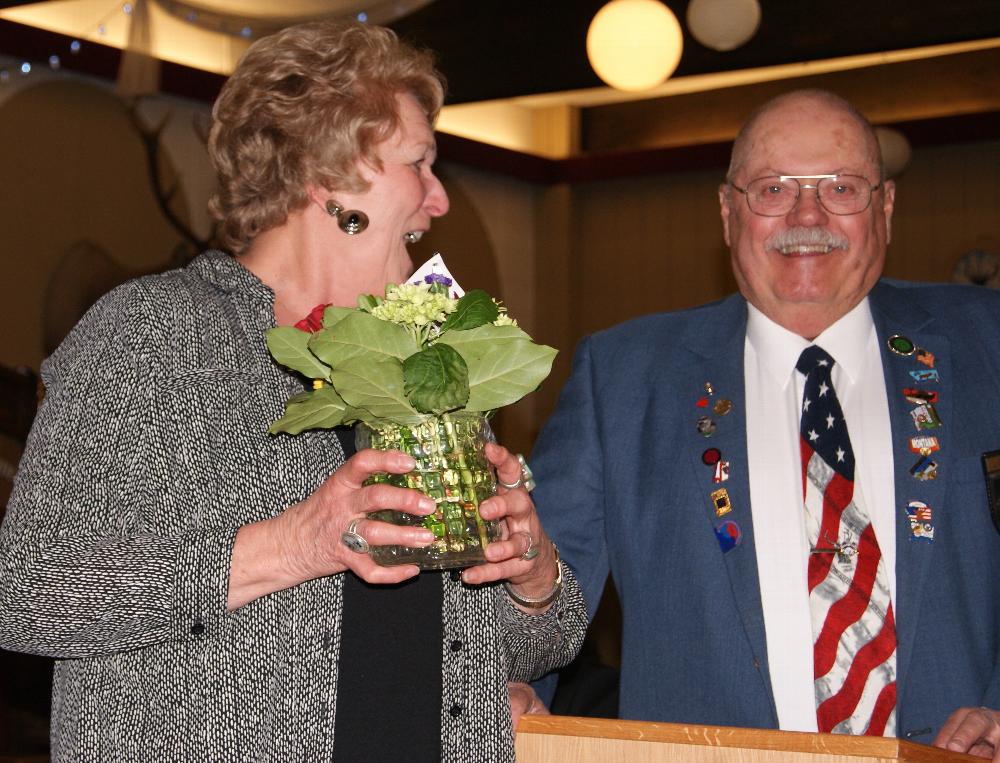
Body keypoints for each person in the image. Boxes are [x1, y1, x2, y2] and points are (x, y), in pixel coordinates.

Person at [0, 21, 585, 761]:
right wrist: (295, 541)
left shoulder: (428, 353)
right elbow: (28, 589)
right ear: (328, 176)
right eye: (420, 163)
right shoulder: (157, 330)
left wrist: (532, 574)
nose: (438, 200)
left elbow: (534, 645)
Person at [529, 89, 1000, 757]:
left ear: (885, 208)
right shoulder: (625, 376)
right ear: (727, 213)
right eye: (773, 189)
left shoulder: (988, 343)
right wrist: (511, 688)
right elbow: (538, 596)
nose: (807, 216)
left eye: (841, 187)